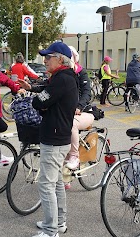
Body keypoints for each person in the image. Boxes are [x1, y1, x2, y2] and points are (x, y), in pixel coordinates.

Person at [18, 42, 78, 237]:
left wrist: (43, 104)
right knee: (57, 182)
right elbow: (44, 98)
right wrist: (43, 101)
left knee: (46, 185)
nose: (44, 60)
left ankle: (51, 230)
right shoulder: (63, 78)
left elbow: (38, 101)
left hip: (54, 138)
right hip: (59, 136)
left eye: (48, 57)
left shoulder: (62, 80)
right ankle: (58, 223)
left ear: (60, 59)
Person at [63, 46, 93, 190]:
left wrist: (79, 106)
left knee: (71, 124)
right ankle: (65, 178)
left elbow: (87, 92)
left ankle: (74, 156)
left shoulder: (81, 73)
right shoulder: (62, 73)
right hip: (67, 112)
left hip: (84, 112)